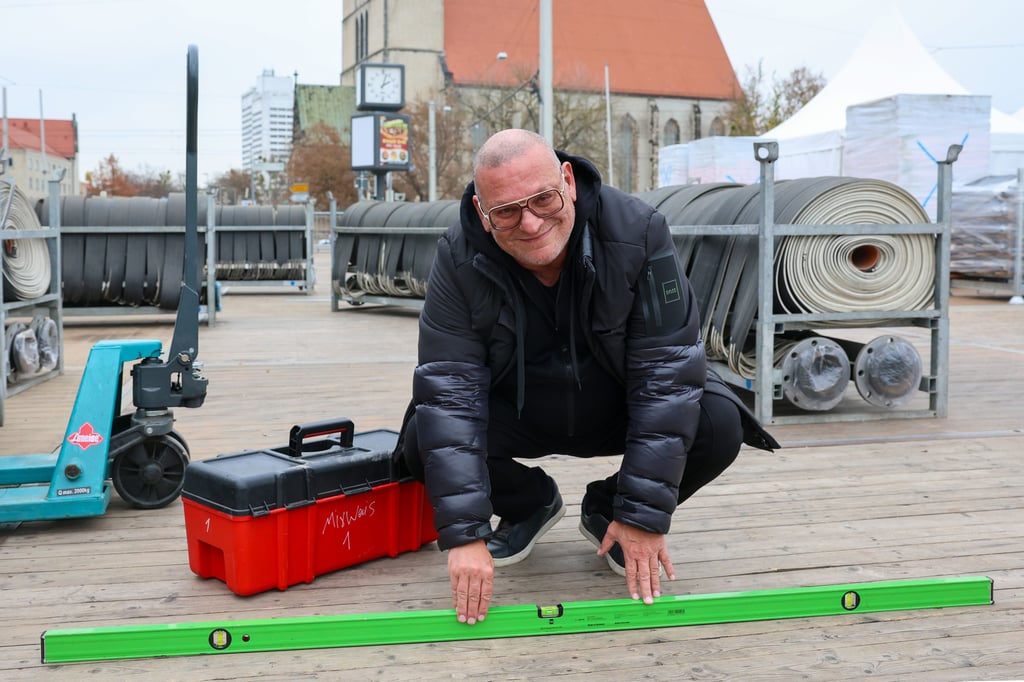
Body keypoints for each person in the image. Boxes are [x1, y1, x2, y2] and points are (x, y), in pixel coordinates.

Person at [396, 128, 778, 626]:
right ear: (483, 216)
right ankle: (529, 503)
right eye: (506, 211)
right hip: (520, 406)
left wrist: (641, 514)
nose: (530, 223)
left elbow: (667, 374)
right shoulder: (457, 254)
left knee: (717, 421)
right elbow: (449, 389)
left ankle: (608, 508)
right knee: (422, 435)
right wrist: (465, 535)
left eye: (543, 199)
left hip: (614, 403)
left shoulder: (639, 232)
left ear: (569, 182)